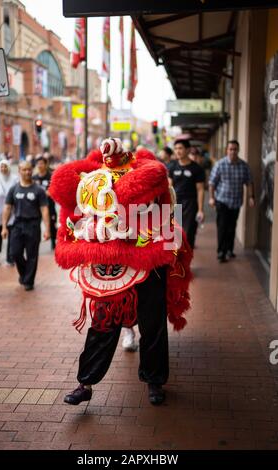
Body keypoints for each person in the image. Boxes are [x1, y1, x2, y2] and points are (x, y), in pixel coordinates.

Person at [50, 138, 193, 406]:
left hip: (149, 266)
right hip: (111, 268)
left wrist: (161, 251)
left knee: (153, 325)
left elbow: (171, 224)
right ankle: (86, 382)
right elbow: (77, 221)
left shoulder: (154, 185)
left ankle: (154, 380)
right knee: (103, 323)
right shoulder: (95, 185)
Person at [2, 161, 50, 290]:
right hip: (17, 225)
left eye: (29, 170)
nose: (27, 172)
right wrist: (4, 227)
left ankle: (28, 281)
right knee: (15, 253)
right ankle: (24, 274)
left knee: (32, 255)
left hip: (33, 225)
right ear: (19, 171)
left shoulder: (38, 190)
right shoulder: (14, 189)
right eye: (24, 170)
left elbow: (44, 209)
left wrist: (47, 229)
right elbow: (7, 208)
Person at [209, 140, 255, 263]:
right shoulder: (220, 164)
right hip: (222, 200)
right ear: (226, 150)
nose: (233, 151)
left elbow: (249, 182)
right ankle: (221, 252)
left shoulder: (244, 166)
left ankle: (229, 249)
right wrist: (212, 198)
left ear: (238, 150)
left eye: (235, 149)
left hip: (236, 202)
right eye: (231, 149)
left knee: (232, 227)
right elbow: (212, 183)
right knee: (222, 227)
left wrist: (251, 197)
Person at [169, 139, 205, 249]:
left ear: (188, 150)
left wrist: (200, 210)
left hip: (190, 204)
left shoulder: (196, 168)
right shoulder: (173, 167)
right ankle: (177, 262)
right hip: (176, 203)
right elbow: (169, 187)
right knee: (176, 234)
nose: (178, 151)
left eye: (180, 148)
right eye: (176, 149)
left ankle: (186, 261)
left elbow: (200, 190)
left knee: (188, 233)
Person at [33, 156, 57, 250]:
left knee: (51, 224)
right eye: (38, 163)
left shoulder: (51, 176)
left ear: (46, 164)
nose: (40, 165)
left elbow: (53, 190)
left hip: (49, 205)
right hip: (37, 206)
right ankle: (35, 242)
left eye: (42, 163)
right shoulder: (34, 178)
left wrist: (48, 193)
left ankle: (53, 241)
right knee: (36, 225)